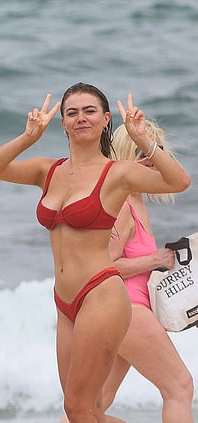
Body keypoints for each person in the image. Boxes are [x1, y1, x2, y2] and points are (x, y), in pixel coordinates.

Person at [0, 82, 190, 423]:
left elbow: (178, 182)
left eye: (90, 111)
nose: (81, 118)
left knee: (80, 409)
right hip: (65, 301)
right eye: (72, 112)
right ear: (62, 122)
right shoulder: (48, 171)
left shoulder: (117, 174)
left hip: (101, 295)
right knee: (83, 411)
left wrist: (142, 141)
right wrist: (27, 138)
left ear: (106, 119)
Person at [100, 121, 194, 422]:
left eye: (158, 151)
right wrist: (155, 260)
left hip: (126, 312)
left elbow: (179, 179)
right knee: (179, 388)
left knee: (95, 403)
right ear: (129, 155)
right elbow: (105, 268)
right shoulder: (123, 205)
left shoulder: (136, 200)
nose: (154, 160)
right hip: (127, 311)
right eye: (144, 152)